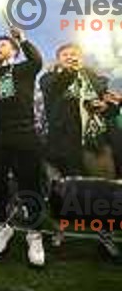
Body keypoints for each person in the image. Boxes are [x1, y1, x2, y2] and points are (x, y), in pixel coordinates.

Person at [40, 43, 120, 258]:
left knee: (105, 192)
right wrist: (68, 72)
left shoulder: (96, 80)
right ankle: (59, 232)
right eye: (65, 55)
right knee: (63, 192)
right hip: (63, 146)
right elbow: (54, 89)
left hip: (96, 142)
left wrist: (108, 106)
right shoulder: (50, 79)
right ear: (58, 60)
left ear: (82, 58)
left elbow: (110, 106)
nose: (71, 57)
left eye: (75, 54)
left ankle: (105, 237)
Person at [0, 27, 45, 266]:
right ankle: (2, 227)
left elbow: (37, 60)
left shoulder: (25, 70)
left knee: (30, 185)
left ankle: (34, 235)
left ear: (14, 50)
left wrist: (21, 38)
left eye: (3, 45)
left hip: (24, 135)